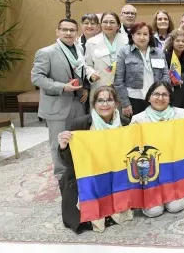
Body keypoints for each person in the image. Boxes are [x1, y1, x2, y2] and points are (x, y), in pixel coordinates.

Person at [57, 86, 133, 233]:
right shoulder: (80, 124)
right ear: (94, 104)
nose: (105, 104)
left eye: (109, 100)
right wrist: (63, 146)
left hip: (116, 173)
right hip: (89, 174)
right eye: (100, 101)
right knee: (81, 218)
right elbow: (68, 163)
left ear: (116, 103)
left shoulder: (125, 124)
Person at [32, 18, 88, 179]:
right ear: (58, 31)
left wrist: (84, 87)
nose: (68, 33)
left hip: (78, 102)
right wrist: (62, 87)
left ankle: (78, 173)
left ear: (77, 33)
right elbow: (37, 78)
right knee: (58, 142)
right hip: (57, 104)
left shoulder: (79, 50)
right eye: (65, 29)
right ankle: (61, 177)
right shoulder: (47, 52)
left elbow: (81, 72)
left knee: (78, 139)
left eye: (72, 30)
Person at [130, 81, 184, 217]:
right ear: (149, 97)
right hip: (150, 174)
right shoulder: (138, 119)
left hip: (174, 172)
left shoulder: (182, 115)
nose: (160, 98)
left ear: (170, 98)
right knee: (154, 211)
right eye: (156, 94)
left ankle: (177, 192)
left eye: (165, 94)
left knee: (175, 207)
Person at [113, 22, 169, 117]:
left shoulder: (159, 53)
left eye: (145, 34)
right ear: (132, 35)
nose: (142, 37)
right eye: (138, 34)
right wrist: (125, 103)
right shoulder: (124, 52)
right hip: (133, 99)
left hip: (156, 99)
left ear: (150, 36)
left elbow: (165, 75)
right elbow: (118, 80)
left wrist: (162, 94)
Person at [84, 12, 129, 102]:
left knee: (121, 115)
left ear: (118, 25)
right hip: (100, 86)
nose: (108, 25)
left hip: (122, 87)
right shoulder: (91, 42)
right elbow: (87, 64)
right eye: (105, 22)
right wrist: (90, 73)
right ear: (100, 25)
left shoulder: (127, 40)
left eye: (112, 22)